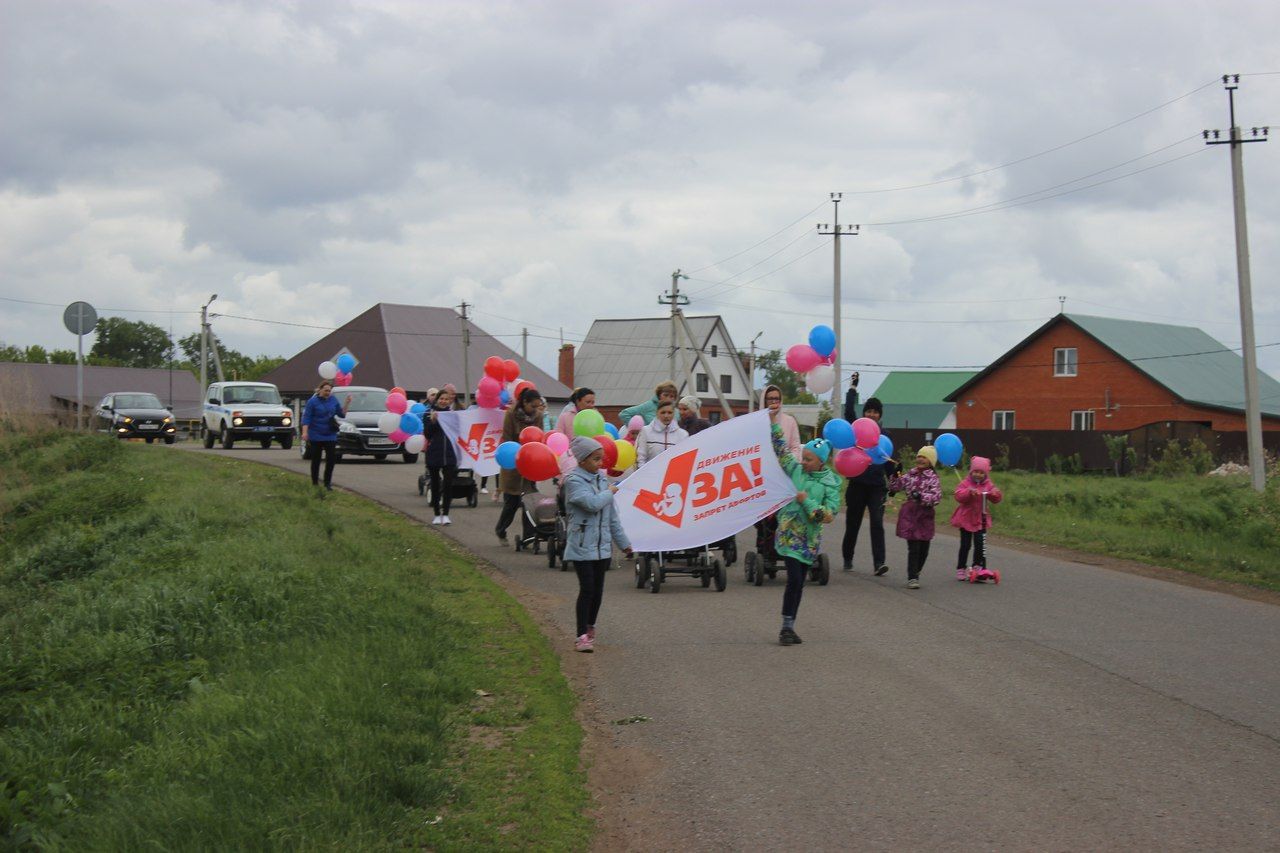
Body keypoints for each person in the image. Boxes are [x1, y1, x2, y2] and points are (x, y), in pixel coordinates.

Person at [770, 425, 841, 646]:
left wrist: (807, 502)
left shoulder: (830, 484)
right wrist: (773, 423)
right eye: (803, 457)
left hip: (809, 540)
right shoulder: (796, 470)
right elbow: (781, 451)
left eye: (809, 459)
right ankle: (785, 627)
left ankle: (790, 624)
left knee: (799, 582)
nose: (804, 462)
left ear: (821, 462)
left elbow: (829, 514)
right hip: (789, 534)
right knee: (794, 579)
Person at [563, 436, 633, 653]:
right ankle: (580, 635)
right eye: (595, 459)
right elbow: (592, 504)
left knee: (598, 591)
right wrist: (610, 492)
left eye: (601, 459)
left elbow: (612, 518)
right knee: (587, 589)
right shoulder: (573, 481)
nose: (600, 463)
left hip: (602, 548)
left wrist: (624, 544)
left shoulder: (602, 480)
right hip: (582, 545)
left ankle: (590, 626)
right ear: (582, 460)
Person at [841, 396, 897, 575]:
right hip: (857, 484)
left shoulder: (885, 435)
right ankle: (847, 556)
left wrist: (895, 480)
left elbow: (888, 462)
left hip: (877, 487)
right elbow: (849, 413)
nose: (872, 414)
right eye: (869, 411)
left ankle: (879, 563)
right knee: (853, 523)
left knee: (877, 523)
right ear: (864, 413)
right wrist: (852, 390)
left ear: (880, 415)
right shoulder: (857, 430)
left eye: (875, 412)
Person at [754, 384, 802, 562]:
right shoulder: (757, 422)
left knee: (784, 516)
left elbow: (796, 446)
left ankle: (785, 549)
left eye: (777, 399)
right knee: (766, 518)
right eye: (770, 399)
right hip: (765, 476)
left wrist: (790, 461)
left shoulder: (789, 421)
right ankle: (765, 552)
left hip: (785, 474)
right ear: (764, 401)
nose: (774, 402)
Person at [887, 446, 942, 589]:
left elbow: (936, 497)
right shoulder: (909, 475)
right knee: (914, 547)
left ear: (930, 461)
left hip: (925, 516)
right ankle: (912, 577)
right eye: (919, 456)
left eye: (924, 457)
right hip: (910, 515)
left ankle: (917, 569)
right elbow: (895, 487)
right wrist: (896, 473)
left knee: (924, 548)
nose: (920, 459)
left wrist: (922, 497)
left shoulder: (933, 478)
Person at [495, 388, 544, 545]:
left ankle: (528, 537)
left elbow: (539, 439)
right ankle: (501, 530)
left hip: (530, 466)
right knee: (512, 503)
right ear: (524, 403)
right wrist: (517, 453)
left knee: (529, 503)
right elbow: (507, 439)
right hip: (513, 466)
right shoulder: (510, 415)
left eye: (538, 406)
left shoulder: (538, 416)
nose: (536, 410)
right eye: (533, 406)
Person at [951, 456, 1003, 580]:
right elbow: (958, 495)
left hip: (981, 520)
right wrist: (969, 492)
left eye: (981, 472)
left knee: (980, 544)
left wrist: (995, 493)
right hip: (966, 519)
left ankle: (977, 566)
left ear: (986, 473)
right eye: (976, 472)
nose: (978, 475)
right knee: (965, 545)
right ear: (971, 471)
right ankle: (961, 567)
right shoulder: (965, 483)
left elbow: (996, 498)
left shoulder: (988, 484)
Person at [301, 380, 350, 491]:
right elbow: (306, 418)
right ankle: (315, 483)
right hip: (316, 434)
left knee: (331, 459)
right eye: (326, 390)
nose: (328, 392)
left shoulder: (333, 400)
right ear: (320, 390)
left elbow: (342, 414)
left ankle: (327, 483)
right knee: (316, 460)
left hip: (330, 434)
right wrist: (305, 432)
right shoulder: (312, 402)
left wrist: (347, 403)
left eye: (329, 391)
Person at [424, 386, 459, 525]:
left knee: (448, 484)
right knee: (435, 483)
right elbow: (427, 434)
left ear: (450, 401)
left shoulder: (453, 415)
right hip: (434, 454)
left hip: (450, 454)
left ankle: (446, 514)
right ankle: (437, 513)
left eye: (446, 399)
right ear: (437, 400)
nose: (444, 401)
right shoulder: (428, 413)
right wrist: (433, 421)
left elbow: (458, 432)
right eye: (441, 399)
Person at [635, 400, 689, 466]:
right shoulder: (646, 431)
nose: (666, 416)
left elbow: (684, 459)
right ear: (657, 413)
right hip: (650, 474)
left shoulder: (683, 435)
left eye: (669, 413)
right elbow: (640, 457)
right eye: (663, 412)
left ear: (674, 413)